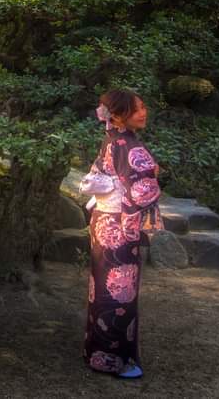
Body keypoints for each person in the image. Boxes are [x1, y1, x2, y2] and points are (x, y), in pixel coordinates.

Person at [81, 89, 163, 379]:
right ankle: (115, 361)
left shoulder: (113, 141)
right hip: (119, 226)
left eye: (143, 107)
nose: (143, 112)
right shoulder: (128, 146)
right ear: (117, 115)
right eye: (137, 109)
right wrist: (152, 174)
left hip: (104, 223)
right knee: (120, 294)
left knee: (102, 289)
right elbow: (141, 192)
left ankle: (96, 353)